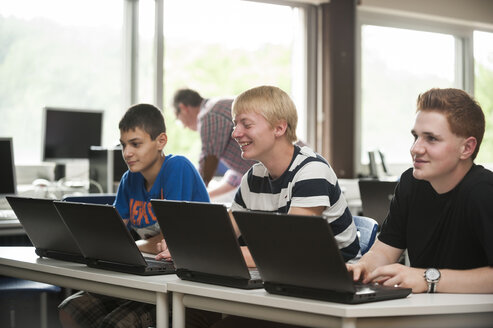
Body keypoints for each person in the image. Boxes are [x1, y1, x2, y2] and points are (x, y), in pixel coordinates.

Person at [205, 85, 360, 328]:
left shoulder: (312, 171)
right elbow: (223, 235)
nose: (235, 133)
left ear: (279, 128)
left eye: (246, 124)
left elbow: (287, 251)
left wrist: (207, 251)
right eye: (235, 124)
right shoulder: (254, 176)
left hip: (331, 294)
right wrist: (190, 246)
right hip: (286, 286)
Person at [58, 103, 210, 328]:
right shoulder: (130, 179)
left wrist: (135, 246)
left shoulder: (177, 168)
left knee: (117, 323)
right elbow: (114, 233)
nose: (127, 153)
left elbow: (173, 240)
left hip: (184, 282)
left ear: (161, 141)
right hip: (146, 277)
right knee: (70, 309)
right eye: (123, 145)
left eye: (135, 144)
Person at [347, 88, 493, 294]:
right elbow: (385, 249)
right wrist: (361, 268)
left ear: (466, 148)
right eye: (415, 136)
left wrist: (428, 279)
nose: (415, 148)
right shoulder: (411, 183)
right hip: (424, 311)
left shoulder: (483, 192)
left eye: (431, 138)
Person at [173, 88, 256, 200]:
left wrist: (189, 196)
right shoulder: (218, 108)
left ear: (183, 108)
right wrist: (205, 195)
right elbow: (238, 176)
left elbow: (209, 161)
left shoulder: (209, 114)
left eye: (178, 119)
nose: (184, 126)